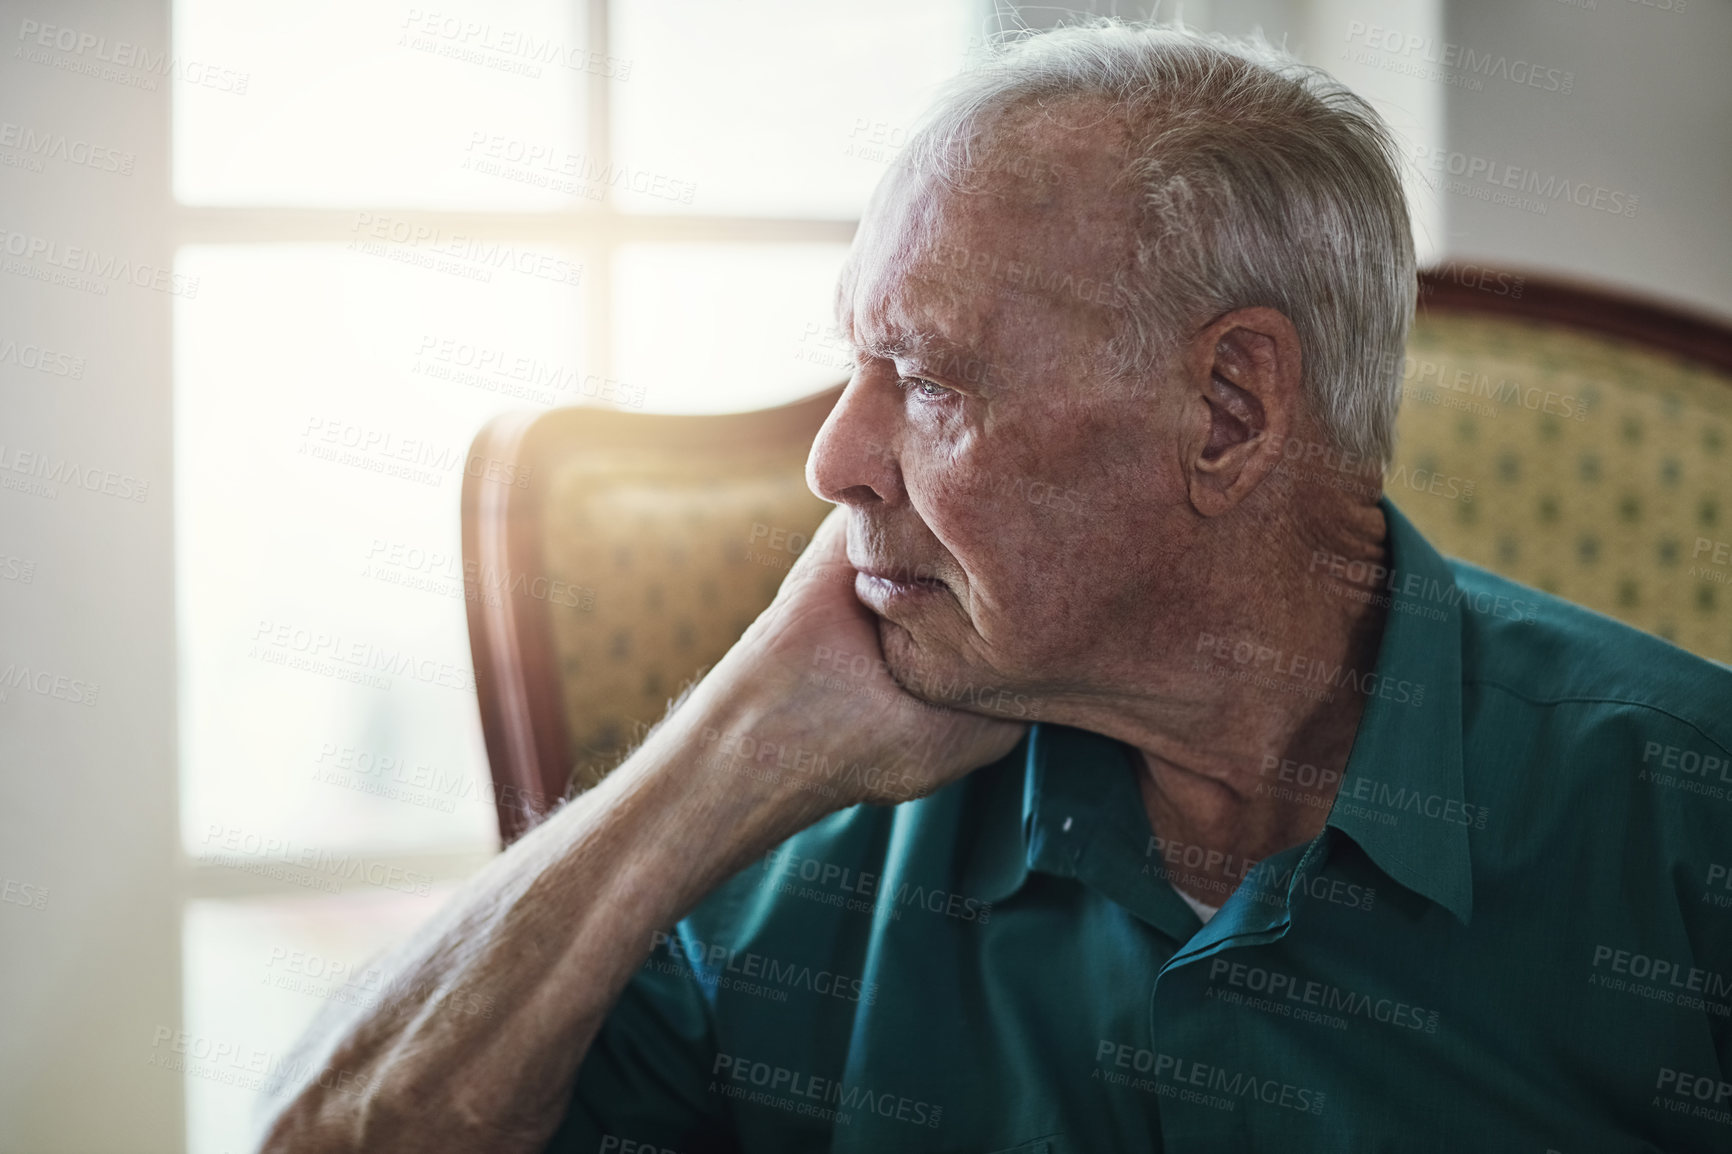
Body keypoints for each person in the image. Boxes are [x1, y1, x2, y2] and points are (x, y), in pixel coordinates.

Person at [258, 22, 1732, 1154]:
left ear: (1229, 412)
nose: (837, 458)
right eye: (856, 366)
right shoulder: (818, 828)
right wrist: (725, 745)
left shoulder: (1684, 824)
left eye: (927, 378)